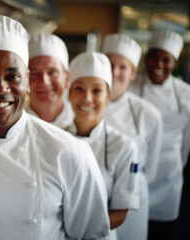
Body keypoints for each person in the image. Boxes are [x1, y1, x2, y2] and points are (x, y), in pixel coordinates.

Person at [0, 15, 111, 240]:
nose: (0, 88)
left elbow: (94, 236)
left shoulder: (69, 152)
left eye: (12, 77)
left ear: (26, 82)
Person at [128, 30, 190, 239]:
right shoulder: (131, 89)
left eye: (166, 59)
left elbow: (187, 141)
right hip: (136, 172)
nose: (158, 64)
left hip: (169, 176)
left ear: (175, 62)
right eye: (153, 57)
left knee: (163, 231)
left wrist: (176, 163)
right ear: (145, 59)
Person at [65, 51, 139, 240]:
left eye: (97, 90)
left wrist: (79, 234)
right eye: (79, 89)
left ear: (107, 97)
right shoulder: (56, 138)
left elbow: (120, 212)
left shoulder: (124, 146)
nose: (87, 98)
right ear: (69, 94)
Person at [102, 33, 163, 240]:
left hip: (132, 195)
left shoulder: (148, 113)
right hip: (95, 194)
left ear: (133, 74)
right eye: (109, 64)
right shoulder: (84, 105)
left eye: (122, 67)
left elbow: (151, 168)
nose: (114, 72)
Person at [26, 32, 74, 129]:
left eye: (52, 72)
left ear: (67, 78)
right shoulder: (14, 125)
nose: (44, 81)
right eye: (34, 73)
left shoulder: (79, 123)